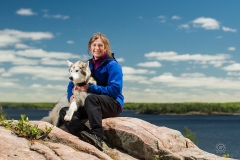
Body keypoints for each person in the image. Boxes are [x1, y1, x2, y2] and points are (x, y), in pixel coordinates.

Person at [58, 32, 124, 151]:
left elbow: (115, 90)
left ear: (105, 47)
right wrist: (71, 97)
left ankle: (97, 136)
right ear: (90, 47)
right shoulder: (87, 65)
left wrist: (90, 88)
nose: (96, 48)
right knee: (65, 111)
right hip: (92, 105)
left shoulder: (113, 65)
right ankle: (85, 135)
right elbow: (71, 83)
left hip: (112, 104)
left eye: (100, 45)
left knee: (90, 99)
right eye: (94, 45)